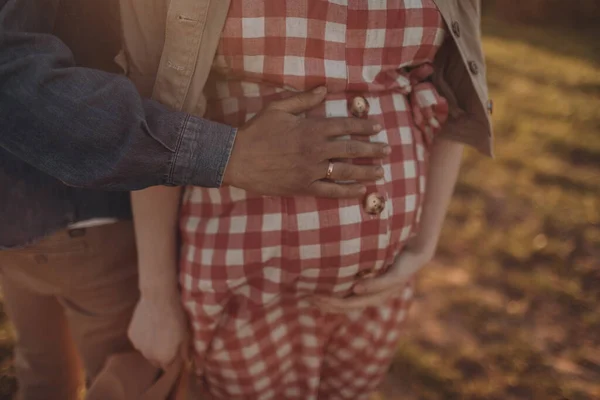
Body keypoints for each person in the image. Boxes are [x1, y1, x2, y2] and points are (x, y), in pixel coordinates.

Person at [0, 0, 390, 398]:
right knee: (126, 379)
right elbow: (11, 69)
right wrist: (230, 154)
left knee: (41, 373)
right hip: (92, 223)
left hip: (16, 215)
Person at [126, 0, 493, 398]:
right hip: (244, 284)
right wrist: (156, 294)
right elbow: (156, 107)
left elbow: (453, 95)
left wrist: (424, 242)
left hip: (377, 287)